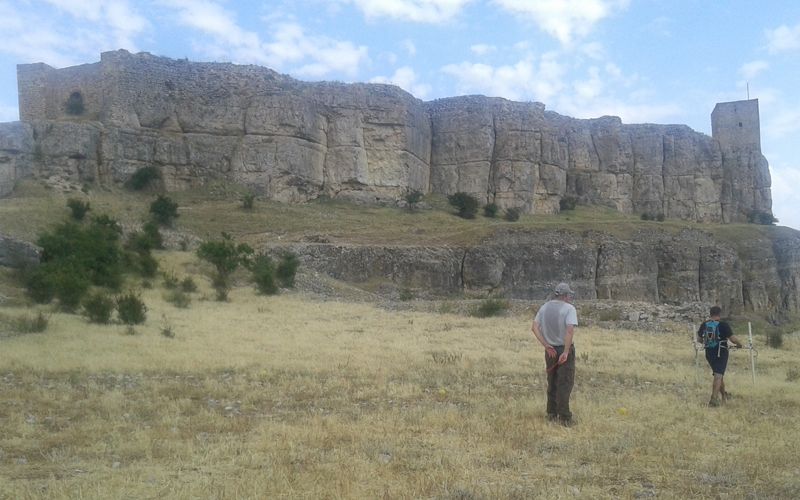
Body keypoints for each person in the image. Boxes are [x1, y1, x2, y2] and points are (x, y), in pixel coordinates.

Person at [531, 282, 578, 426]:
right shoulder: (569, 309)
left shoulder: (544, 307)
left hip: (550, 350)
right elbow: (569, 330)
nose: (570, 297)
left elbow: (534, 327)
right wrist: (566, 351)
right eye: (569, 295)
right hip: (564, 349)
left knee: (552, 381)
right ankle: (564, 417)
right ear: (565, 295)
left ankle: (551, 413)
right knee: (564, 383)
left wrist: (546, 345)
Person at [697, 306, 742, 407]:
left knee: (719, 374)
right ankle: (713, 399)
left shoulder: (704, 324)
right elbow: (733, 339)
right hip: (721, 352)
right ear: (719, 314)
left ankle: (724, 396)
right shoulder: (723, 325)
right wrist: (739, 345)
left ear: (710, 314)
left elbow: (699, 340)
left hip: (709, 353)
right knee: (718, 375)